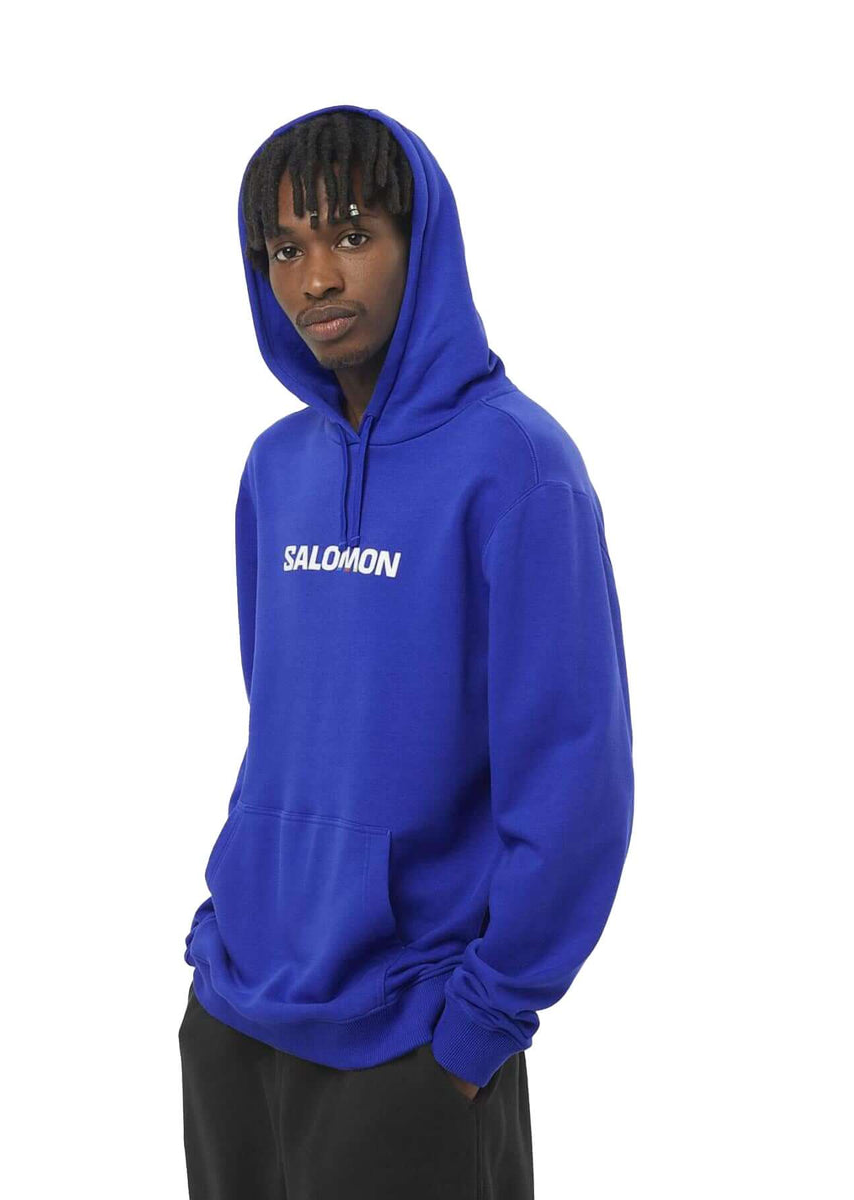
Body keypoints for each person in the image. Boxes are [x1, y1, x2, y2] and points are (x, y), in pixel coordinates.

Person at [179, 103, 634, 1200]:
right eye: (284, 248)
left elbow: (576, 785)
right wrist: (224, 926)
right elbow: (282, 724)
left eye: (351, 234)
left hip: (414, 1040)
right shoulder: (274, 469)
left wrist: (480, 1028)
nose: (315, 279)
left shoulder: (519, 468)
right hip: (235, 1013)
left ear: (420, 239)